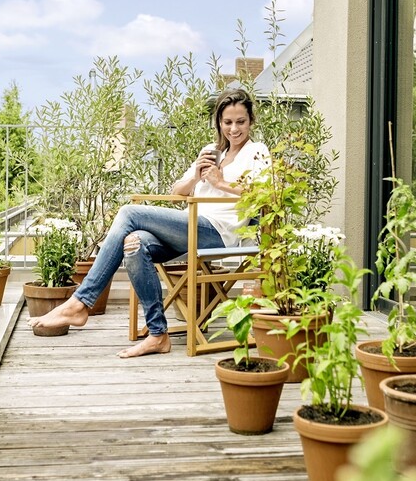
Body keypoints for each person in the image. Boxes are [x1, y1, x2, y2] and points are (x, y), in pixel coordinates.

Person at [28, 87, 271, 358]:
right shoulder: (210, 151)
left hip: (219, 232)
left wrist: (220, 183)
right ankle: (158, 335)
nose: (234, 129)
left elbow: (263, 195)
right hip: (190, 226)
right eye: (227, 122)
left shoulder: (257, 151)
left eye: (241, 121)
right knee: (134, 243)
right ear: (219, 122)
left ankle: (80, 303)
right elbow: (177, 190)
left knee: (130, 213)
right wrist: (196, 177)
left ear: (251, 121)